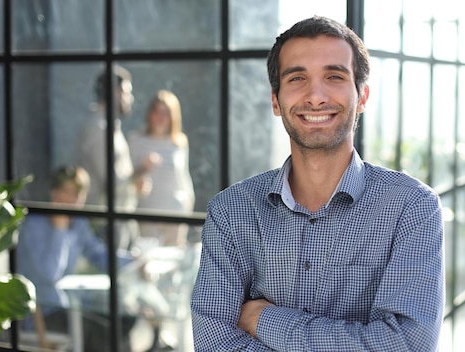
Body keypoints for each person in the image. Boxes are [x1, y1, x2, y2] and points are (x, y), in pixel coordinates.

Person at [190, 16, 445, 351]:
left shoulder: (412, 209)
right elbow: (214, 344)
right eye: (297, 78)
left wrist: (263, 319)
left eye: (334, 76)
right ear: (276, 101)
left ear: (363, 97)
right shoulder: (231, 212)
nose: (315, 96)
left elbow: (406, 345)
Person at [15, 166, 136, 350]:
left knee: (124, 318)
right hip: (41, 314)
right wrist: (60, 230)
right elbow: (50, 274)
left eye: (76, 193)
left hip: (70, 306)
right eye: (65, 191)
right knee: (102, 333)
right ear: (53, 192)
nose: (70, 199)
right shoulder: (34, 225)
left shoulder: (78, 222)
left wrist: (135, 261)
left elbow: (97, 254)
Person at [77, 64, 139, 252]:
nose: (131, 98)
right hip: (104, 224)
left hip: (115, 221)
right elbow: (111, 182)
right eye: (127, 92)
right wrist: (140, 173)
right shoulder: (99, 129)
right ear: (115, 92)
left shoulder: (109, 127)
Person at [128, 89, 196, 247]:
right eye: (157, 112)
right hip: (148, 213)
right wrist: (142, 169)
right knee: (148, 260)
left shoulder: (178, 142)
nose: (161, 118)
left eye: (166, 113)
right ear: (150, 114)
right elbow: (125, 177)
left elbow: (184, 177)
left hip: (175, 212)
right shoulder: (136, 140)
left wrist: (188, 205)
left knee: (172, 260)